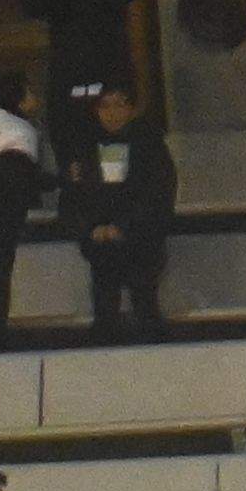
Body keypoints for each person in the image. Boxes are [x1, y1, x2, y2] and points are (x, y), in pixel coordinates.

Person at [59, 81, 175, 341]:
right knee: (104, 311)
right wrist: (91, 229)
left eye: (120, 104)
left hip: (141, 242)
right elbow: (73, 199)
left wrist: (124, 227)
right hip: (101, 246)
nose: (112, 113)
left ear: (132, 109)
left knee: (146, 307)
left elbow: (158, 195)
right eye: (105, 105)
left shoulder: (150, 145)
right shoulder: (85, 148)